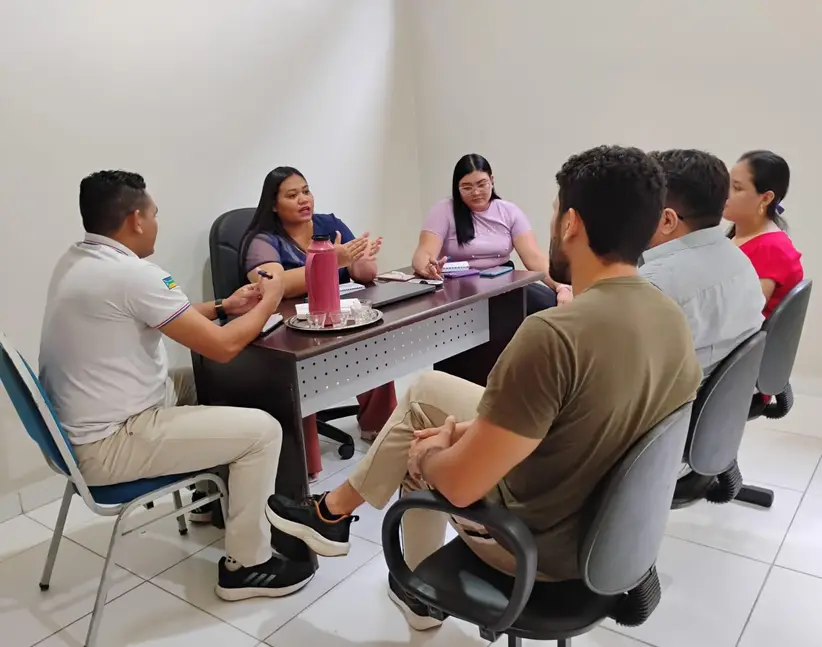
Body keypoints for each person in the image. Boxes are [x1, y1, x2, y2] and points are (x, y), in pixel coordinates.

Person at [266, 146, 702, 630]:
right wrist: (468, 432)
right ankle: (334, 514)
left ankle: (418, 596)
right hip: (611, 530)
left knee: (416, 445)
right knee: (428, 390)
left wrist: (429, 455)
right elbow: (586, 411)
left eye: (555, 212)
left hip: (538, 549)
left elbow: (457, 484)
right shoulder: (669, 316)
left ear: (572, 224)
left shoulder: (553, 335)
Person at [39, 170, 314, 601]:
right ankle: (248, 565)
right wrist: (270, 298)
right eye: (154, 214)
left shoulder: (79, 260)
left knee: (213, 382)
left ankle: (210, 503)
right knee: (263, 431)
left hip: (87, 425)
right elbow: (224, 346)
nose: (156, 223)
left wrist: (226, 304)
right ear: (136, 220)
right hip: (110, 442)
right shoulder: (132, 275)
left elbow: (162, 314)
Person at [239, 166, 397, 479]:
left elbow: (361, 275)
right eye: (292, 195)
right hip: (292, 330)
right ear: (273, 204)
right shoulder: (263, 240)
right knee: (301, 369)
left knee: (375, 339)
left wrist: (362, 260)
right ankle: (306, 465)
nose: (303, 199)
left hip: (339, 318)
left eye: (306, 191)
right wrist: (330, 260)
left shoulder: (330, 224)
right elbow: (274, 284)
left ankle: (377, 424)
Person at [640, 149, 764, 376]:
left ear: (668, 220)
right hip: (720, 405)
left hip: (670, 407)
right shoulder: (741, 261)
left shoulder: (654, 284)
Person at [411, 154, 573, 314]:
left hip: (503, 284)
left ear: (492, 181)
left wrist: (561, 287)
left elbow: (534, 258)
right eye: (467, 187)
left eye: (482, 184)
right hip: (459, 289)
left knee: (551, 306)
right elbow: (423, 253)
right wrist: (428, 268)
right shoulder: (443, 210)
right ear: (457, 187)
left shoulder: (508, 211)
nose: (475, 192)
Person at [724, 150, 803, 318]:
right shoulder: (741, 235)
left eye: (737, 188)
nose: (725, 193)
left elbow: (743, 316)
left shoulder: (771, 249)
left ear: (766, 198)